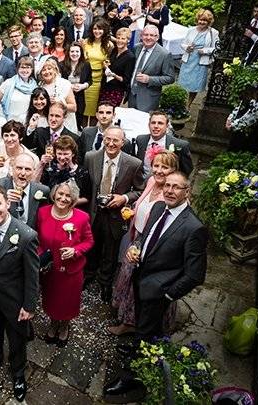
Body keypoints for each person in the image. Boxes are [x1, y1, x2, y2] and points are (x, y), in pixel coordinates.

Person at [104, 172, 208, 403]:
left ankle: (131, 376)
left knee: (146, 332)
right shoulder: (160, 207)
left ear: (187, 192)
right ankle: (138, 349)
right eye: (167, 186)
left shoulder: (194, 228)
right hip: (140, 280)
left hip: (160, 291)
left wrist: (168, 294)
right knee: (142, 326)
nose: (170, 190)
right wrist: (136, 248)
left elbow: (195, 275)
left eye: (176, 187)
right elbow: (146, 237)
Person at [0, 185, 39, 402]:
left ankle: (19, 374)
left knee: (17, 339)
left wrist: (29, 306)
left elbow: (32, 275)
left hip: (14, 300)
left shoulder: (25, 235)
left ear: (8, 204)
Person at [109, 150, 178, 337]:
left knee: (137, 283)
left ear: (174, 170)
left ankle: (131, 323)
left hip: (153, 245)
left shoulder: (172, 195)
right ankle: (127, 315)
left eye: (165, 167)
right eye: (156, 165)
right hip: (137, 235)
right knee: (128, 276)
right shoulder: (151, 182)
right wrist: (132, 211)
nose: (159, 170)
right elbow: (143, 205)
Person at [84, 126, 144, 302]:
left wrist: (124, 198)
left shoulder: (133, 163)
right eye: (108, 139)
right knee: (91, 246)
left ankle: (105, 282)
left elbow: (140, 190)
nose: (111, 143)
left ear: (122, 142)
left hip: (115, 215)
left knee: (111, 250)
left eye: (115, 140)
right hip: (93, 212)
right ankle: (88, 275)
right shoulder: (91, 157)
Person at [37, 180, 93, 346]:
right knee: (51, 299)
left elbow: (89, 241)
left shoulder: (82, 218)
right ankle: (53, 324)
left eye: (68, 195)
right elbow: (37, 239)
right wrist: (40, 255)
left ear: (74, 199)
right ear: (54, 194)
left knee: (67, 302)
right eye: (60, 194)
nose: (63, 198)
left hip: (71, 271)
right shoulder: (42, 212)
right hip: (50, 269)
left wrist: (75, 251)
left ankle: (65, 326)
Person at [127, 25, 175, 113]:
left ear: (157, 37)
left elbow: (170, 78)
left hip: (148, 99)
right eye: (146, 35)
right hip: (132, 95)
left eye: (152, 35)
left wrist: (150, 79)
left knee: (144, 124)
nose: (148, 38)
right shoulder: (136, 48)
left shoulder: (164, 54)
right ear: (141, 36)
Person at [132, 111, 194, 177]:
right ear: (149, 125)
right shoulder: (141, 140)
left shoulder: (180, 145)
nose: (156, 126)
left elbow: (186, 170)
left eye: (160, 123)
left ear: (167, 126)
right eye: (153, 123)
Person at [179, 9, 220, 106]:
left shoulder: (213, 32)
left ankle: (188, 105)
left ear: (209, 22)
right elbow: (183, 44)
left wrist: (205, 51)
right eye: (201, 20)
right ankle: (181, 103)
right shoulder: (191, 30)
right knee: (183, 83)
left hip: (200, 62)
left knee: (195, 85)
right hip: (189, 60)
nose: (202, 22)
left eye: (205, 20)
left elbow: (216, 48)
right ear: (197, 20)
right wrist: (187, 47)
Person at [39, 136, 91, 210]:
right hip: (50, 209)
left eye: (66, 154)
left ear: (73, 154)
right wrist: (41, 164)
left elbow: (86, 198)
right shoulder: (49, 169)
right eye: (59, 154)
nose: (62, 157)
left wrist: (66, 203)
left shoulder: (82, 172)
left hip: (72, 211)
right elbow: (39, 187)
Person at [83, 18, 114, 126]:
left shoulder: (109, 45)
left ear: (105, 30)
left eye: (100, 29)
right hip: (86, 78)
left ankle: (92, 131)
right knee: (83, 109)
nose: (97, 31)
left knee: (94, 111)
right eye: (95, 29)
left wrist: (107, 65)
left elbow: (109, 62)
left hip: (98, 80)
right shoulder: (86, 42)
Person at [38, 59, 78, 133]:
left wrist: (60, 104)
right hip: (46, 124)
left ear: (55, 70)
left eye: (49, 69)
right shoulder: (39, 86)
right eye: (43, 70)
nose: (47, 72)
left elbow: (74, 108)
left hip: (65, 124)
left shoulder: (64, 84)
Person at [99, 27, 136, 108]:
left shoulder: (130, 57)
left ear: (128, 40)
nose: (119, 40)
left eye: (123, 38)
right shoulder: (114, 51)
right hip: (105, 87)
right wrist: (106, 65)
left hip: (116, 91)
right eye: (118, 38)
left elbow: (126, 79)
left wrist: (114, 75)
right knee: (100, 111)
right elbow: (110, 64)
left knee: (109, 113)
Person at [59, 44, 92, 131]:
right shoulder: (61, 65)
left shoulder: (86, 65)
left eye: (77, 51)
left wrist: (82, 86)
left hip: (80, 97)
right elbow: (59, 80)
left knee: (78, 121)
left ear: (81, 53)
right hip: (66, 97)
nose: (75, 54)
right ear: (68, 53)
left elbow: (90, 80)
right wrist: (70, 86)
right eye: (72, 51)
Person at [0, 56, 37, 123]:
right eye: (22, 67)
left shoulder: (35, 87)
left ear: (32, 70)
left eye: (28, 68)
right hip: (7, 122)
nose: (25, 70)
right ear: (17, 69)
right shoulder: (8, 83)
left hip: (25, 123)